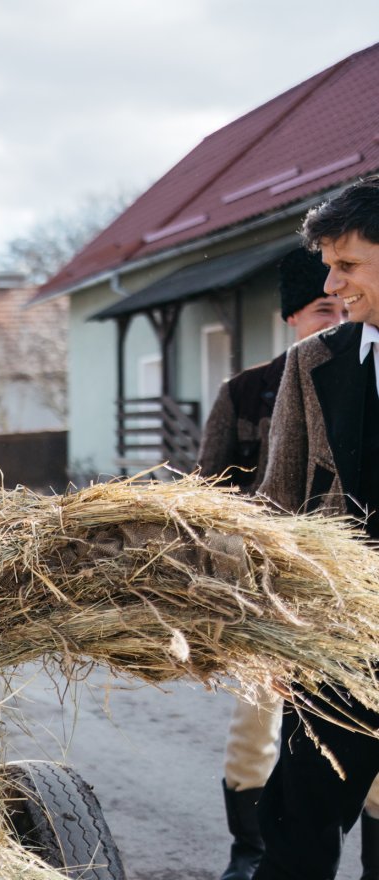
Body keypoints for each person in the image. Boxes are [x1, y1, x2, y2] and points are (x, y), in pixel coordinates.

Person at [197, 248, 348, 880]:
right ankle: (250, 851)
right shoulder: (246, 391)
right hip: (269, 597)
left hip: (347, 600)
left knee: (353, 733)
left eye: (345, 304)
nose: (338, 315)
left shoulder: (362, 378)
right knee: (257, 725)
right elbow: (211, 494)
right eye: (322, 309)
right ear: (291, 317)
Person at [253, 175, 379, 880]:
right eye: (328, 264)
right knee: (296, 824)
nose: (332, 282)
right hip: (337, 643)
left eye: (348, 264)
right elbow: (279, 501)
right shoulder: (312, 362)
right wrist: (272, 626)